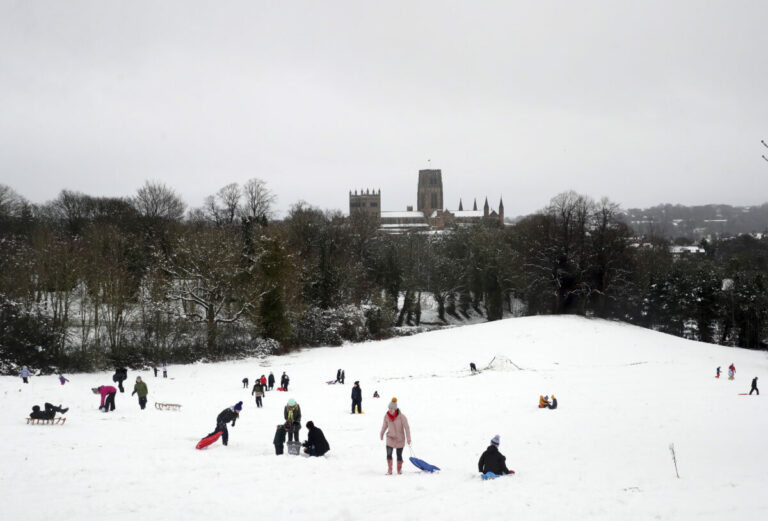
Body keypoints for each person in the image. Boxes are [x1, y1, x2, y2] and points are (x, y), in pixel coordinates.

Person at [380, 398, 411, 475]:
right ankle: (390, 470)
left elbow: (407, 428)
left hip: (400, 439)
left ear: (395, 409)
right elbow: (384, 426)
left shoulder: (402, 417)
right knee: (389, 454)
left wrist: (408, 438)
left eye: (392, 408)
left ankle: (399, 470)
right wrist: (381, 433)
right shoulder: (386, 416)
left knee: (399, 455)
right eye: (389, 408)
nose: (390, 410)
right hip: (390, 438)